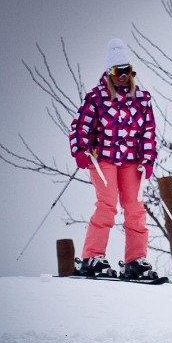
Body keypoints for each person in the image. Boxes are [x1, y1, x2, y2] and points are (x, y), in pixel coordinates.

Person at [68, 38, 158, 279]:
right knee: (107, 204)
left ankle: (135, 260)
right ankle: (92, 256)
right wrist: (80, 149)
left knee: (135, 208)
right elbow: (80, 126)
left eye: (127, 71)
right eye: (118, 72)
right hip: (103, 158)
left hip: (131, 160)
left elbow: (148, 132)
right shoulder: (96, 97)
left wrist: (148, 159)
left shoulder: (142, 98)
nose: (123, 76)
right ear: (109, 72)